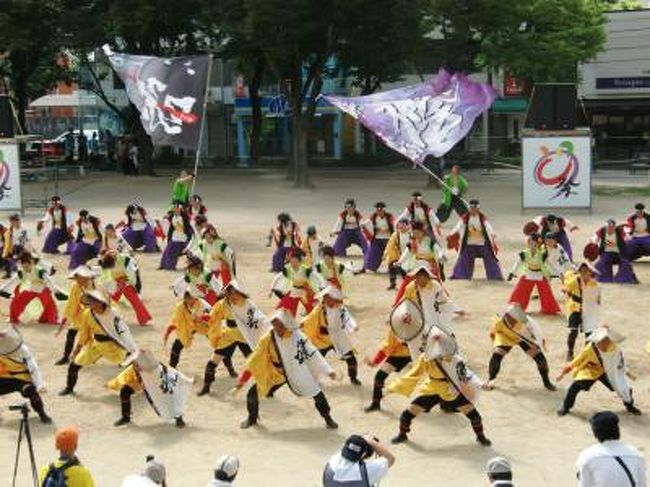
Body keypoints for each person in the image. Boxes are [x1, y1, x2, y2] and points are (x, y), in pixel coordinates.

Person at [234, 309, 339, 430]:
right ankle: (252, 419)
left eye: (280, 325)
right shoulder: (267, 339)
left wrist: (328, 370)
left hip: (296, 371)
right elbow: (254, 360)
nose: (277, 329)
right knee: (252, 394)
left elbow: (312, 353)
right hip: (275, 373)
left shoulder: (298, 337)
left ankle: (328, 418)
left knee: (317, 393)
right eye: (275, 325)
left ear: (287, 325)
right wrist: (243, 379)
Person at [387, 327, 490, 446]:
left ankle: (481, 437)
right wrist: (393, 387)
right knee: (407, 414)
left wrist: (482, 384)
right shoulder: (425, 358)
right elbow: (412, 374)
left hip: (450, 390)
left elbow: (466, 374)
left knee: (475, 416)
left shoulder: (454, 359)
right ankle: (402, 435)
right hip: (431, 389)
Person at [59, 289, 138, 396]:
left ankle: (143, 386)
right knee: (74, 365)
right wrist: (77, 349)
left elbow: (123, 332)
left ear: (102, 302)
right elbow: (84, 333)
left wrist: (131, 349)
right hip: (95, 345)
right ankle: (69, 388)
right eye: (91, 300)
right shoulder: (87, 313)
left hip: (113, 347)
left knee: (135, 365)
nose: (92, 303)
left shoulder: (113, 314)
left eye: (95, 300)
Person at [197, 280, 270, 396]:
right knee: (213, 361)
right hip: (229, 335)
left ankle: (266, 387)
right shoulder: (222, 304)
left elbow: (258, 319)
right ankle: (206, 386)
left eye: (235, 293)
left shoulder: (246, 304)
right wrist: (204, 317)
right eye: (230, 293)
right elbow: (212, 317)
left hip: (244, 335)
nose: (233, 296)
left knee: (255, 361)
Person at [556, 327, 641, 417]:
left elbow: (619, 363)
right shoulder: (590, 349)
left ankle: (629, 405)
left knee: (624, 387)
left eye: (603, 340)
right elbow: (577, 361)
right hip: (591, 370)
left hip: (607, 372)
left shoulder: (615, 350)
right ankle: (565, 407)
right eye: (598, 341)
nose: (599, 344)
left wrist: (627, 373)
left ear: (608, 340)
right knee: (575, 386)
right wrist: (562, 373)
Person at [108, 349, 190, 428]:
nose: (134, 364)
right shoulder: (132, 369)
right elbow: (126, 377)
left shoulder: (155, 366)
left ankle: (178, 417)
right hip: (138, 380)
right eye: (133, 362)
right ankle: (125, 417)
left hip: (154, 381)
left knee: (165, 398)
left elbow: (167, 372)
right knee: (124, 391)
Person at [485, 303, 555, 391]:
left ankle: (547, 382)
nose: (512, 320)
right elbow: (492, 333)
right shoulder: (498, 320)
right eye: (509, 317)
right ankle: (491, 380)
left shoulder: (528, 322)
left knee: (540, 358)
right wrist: (496, 345)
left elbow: (537, 334)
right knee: (496, 355)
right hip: (505, 336)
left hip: (522, 336)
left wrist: (537, 344)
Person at [302, 286, 361, 386]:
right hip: (324, 339)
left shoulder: (341, 308)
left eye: (329, 298)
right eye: (325, 298)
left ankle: (353, 378)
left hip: (339, 337)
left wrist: (353, 325)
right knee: (317, 358)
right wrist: (301, 324)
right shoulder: (320, 309)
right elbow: (310, 318)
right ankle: (313, 380)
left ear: (334, 298)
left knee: (351, 358)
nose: (327, 300)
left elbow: (348, 318)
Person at [576, 411, 646, 487]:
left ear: (595, 433)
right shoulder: (637, 455)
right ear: (617, 430)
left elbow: (585, 485)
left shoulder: (587, 456)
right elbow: (642, 484)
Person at [0, 324, 52, 423]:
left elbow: (33, 368)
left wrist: (39, 384)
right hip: (5, 378)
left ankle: (42, 414)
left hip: (22, 379)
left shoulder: (23, 350)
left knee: (32, 392)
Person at [0, 250, 66, 325]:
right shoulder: (22, 271)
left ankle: (54, 319)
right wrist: (2, 288)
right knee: (17, 301)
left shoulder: (39, 271)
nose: (25, 268)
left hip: (43, 289)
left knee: (49, 304)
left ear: (31, 263)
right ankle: (13, 318)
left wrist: (56, 290)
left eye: (26, 266)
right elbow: (13, 281)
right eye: (23, 266)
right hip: (31, 289)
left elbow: (49, 281)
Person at [447, 198, 503, 281]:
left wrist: (492, 233)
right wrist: (452, 233)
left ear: (478, 209)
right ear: (469, 208)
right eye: (471, 208)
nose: (473, 210)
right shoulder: (466, 217)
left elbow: (487, 225)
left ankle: (495, 276)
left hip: (482, 244)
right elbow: (458, 225)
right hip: (469, 244)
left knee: (491, 258)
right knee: (463, 258)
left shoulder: (482, 217)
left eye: (474, 208)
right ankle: (459, 275)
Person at [507, 233, 561, 315]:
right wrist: (512, 272)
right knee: (520, 290)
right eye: (529, 242)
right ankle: (517, 306)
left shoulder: (542, 254)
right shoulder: (524, 253)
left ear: (538, 243)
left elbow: (549, 265)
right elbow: (518, 263)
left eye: (533, 242)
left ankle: (549, 309)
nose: (531, 244)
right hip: (528, 273)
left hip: (540, 274)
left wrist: (557, 273)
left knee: (546, 292)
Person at [55, 265, 98, 365]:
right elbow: (71, 303)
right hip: (78, 316)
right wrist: (67, 317)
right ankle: (66, 357)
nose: (77, 279)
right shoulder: (75, 286)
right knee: (70, 335)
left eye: (79, 277)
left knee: (93, 338)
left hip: (91, 317)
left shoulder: (95, 287)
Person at [98, 251, 152, 326]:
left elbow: (132, 273)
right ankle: (144, 318)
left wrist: (129, 283)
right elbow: (106, 274)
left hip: (127, 280)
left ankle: (144, 319)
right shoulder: (106, 259)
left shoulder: (126, 260)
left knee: (131, 300)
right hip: (116, 281)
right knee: (131, 300)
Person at [323, 434, 395, 486]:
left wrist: (361, 439)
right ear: (363, 454)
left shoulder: (332, 461)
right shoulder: (367, 472)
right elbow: (390, 459)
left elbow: (353, 445)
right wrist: (372, 442)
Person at [564, 262, 601, 361]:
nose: (584, 274)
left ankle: (587, 354)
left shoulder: (594, 285)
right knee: (573, 331)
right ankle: (570, 351)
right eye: (582, 272)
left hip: (587, 310)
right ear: (579, 272)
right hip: (574, 308)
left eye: (587, 272)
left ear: (590, 273)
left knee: (589, 333)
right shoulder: (573, 282)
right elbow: (566, 291)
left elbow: (597, 299)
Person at [270, 247, 321, 316]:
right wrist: (271, 288)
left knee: (314, 310)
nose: (293, 264)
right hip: (294, 290)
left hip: (305, 291)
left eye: (295, 262)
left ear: (300, 262)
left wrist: (320, 289)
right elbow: (277, 277)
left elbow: (316, 278)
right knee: (285, 310)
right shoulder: (288, 268)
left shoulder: (306, 270)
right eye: (292, 262)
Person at [590, 219, 638, 284]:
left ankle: (622, 279)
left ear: (614, 227)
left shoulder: (620, 231)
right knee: (600, 264)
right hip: (606, 253)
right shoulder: (602, 230)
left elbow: (628, 238)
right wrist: (594, 242)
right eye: (608, 227)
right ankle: (604, 278)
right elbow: (594, 238)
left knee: (626, 264)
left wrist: (627, 237)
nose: (609, 229)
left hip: (619, 253)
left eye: (611, 227)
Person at [361, 202, 395, 272]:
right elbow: (365, 224)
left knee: (392, 254)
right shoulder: (374, 216)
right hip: (377, 239)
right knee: (372, 253)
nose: (379, 212)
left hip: (389, 239)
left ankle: (393, 268)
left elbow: (395, 224)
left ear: (384, 210)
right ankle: (369, 267)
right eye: (377, 210)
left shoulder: (389, 217)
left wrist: (386, 230)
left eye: (380, 210)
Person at [159, 203, 193, 271]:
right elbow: (171, 229)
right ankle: (163, 265)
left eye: (178, 209)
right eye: (175, 209)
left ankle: (170, 266)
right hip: (174, 237)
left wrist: (188, 239)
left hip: (183, 239)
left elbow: (189, 228)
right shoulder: (172, 217)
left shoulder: (184, 217)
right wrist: (169, 239)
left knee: (189, 252)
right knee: (166, 251)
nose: (176, 210)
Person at [382, 218, 410, 290]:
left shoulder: (411, 234)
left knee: (405, 271)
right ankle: (392, 283)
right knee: (391, 265)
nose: (401, 228)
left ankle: (407, 283)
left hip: (409, 256)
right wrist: (385, 254)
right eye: (399, 226)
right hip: (398, 255)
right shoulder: (395, 235)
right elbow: (389, 245)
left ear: (407, 226)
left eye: (403, 226)